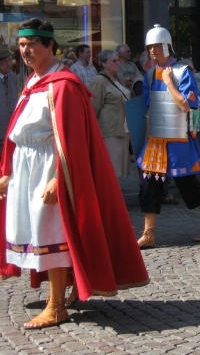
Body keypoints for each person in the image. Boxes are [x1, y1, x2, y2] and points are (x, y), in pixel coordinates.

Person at [0, 18, 149, 329]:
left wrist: (58, 176)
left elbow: (73, 142)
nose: (26, 51)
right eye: (23, 45)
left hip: (51, 170)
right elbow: (18, 132)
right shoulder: (32, 82)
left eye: (33, 45)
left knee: (50, 234)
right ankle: (63, 291)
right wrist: (8, 169)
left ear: (49, 45)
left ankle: (56, 306)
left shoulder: (64, 85)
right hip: (27, 170)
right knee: (37, 233)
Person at [136, 25, 200, 248]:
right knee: (149, 185)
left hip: (179, 139)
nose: (152, 50)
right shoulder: (150, 74)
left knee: (188, 184)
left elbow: (186, 106)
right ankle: (149, 233)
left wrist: (170, 82)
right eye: (149, 47)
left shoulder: (183, 72)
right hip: (156, 140)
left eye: (156, 46)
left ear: (166, 45)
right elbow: (148, 107)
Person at [89, 50, 132, 178]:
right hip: (109, 131)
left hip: (122, 129)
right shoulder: (99, 80)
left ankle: (115, 196)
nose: (118, 63)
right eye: (114, 61)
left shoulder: (116, 79)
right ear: (104, 63)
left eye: (118, 60)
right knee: (110, 169)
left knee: (118, 168)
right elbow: (93, 107)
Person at [0, 50, 18, 153]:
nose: (8, 64)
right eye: (4, 61)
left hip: (12, 131)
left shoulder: (13, 76)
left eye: (10, 60)